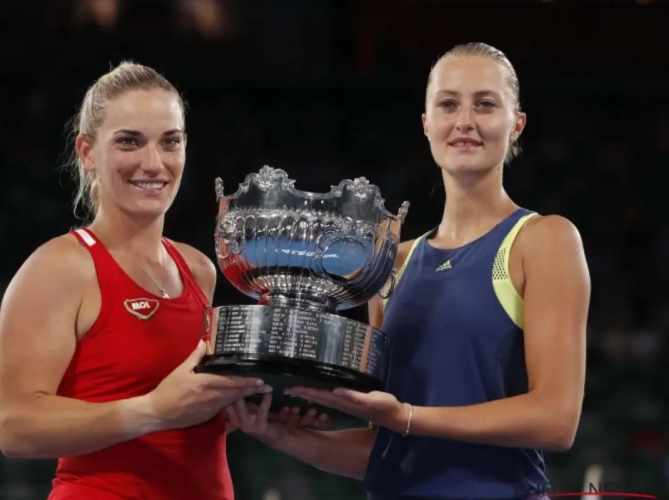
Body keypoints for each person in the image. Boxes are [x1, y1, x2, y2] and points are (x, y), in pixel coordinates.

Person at [225, 42, 591, 500]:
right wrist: (288, 437)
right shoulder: (391, 261)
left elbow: (556, 420)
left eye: (485, 104)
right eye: (448, 104)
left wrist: (408, 417)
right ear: (426, 123)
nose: (465, 121)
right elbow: (387, 449)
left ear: (516, 124)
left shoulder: (544, 240)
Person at [0, 61, 274, 499]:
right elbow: (15, 428)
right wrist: (153, 411)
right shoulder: (60, 267)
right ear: (87, 152)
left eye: (170, 142)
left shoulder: (198, 268)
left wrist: (244, 410)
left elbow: (178, 426)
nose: (153, 163)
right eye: (129, 142)